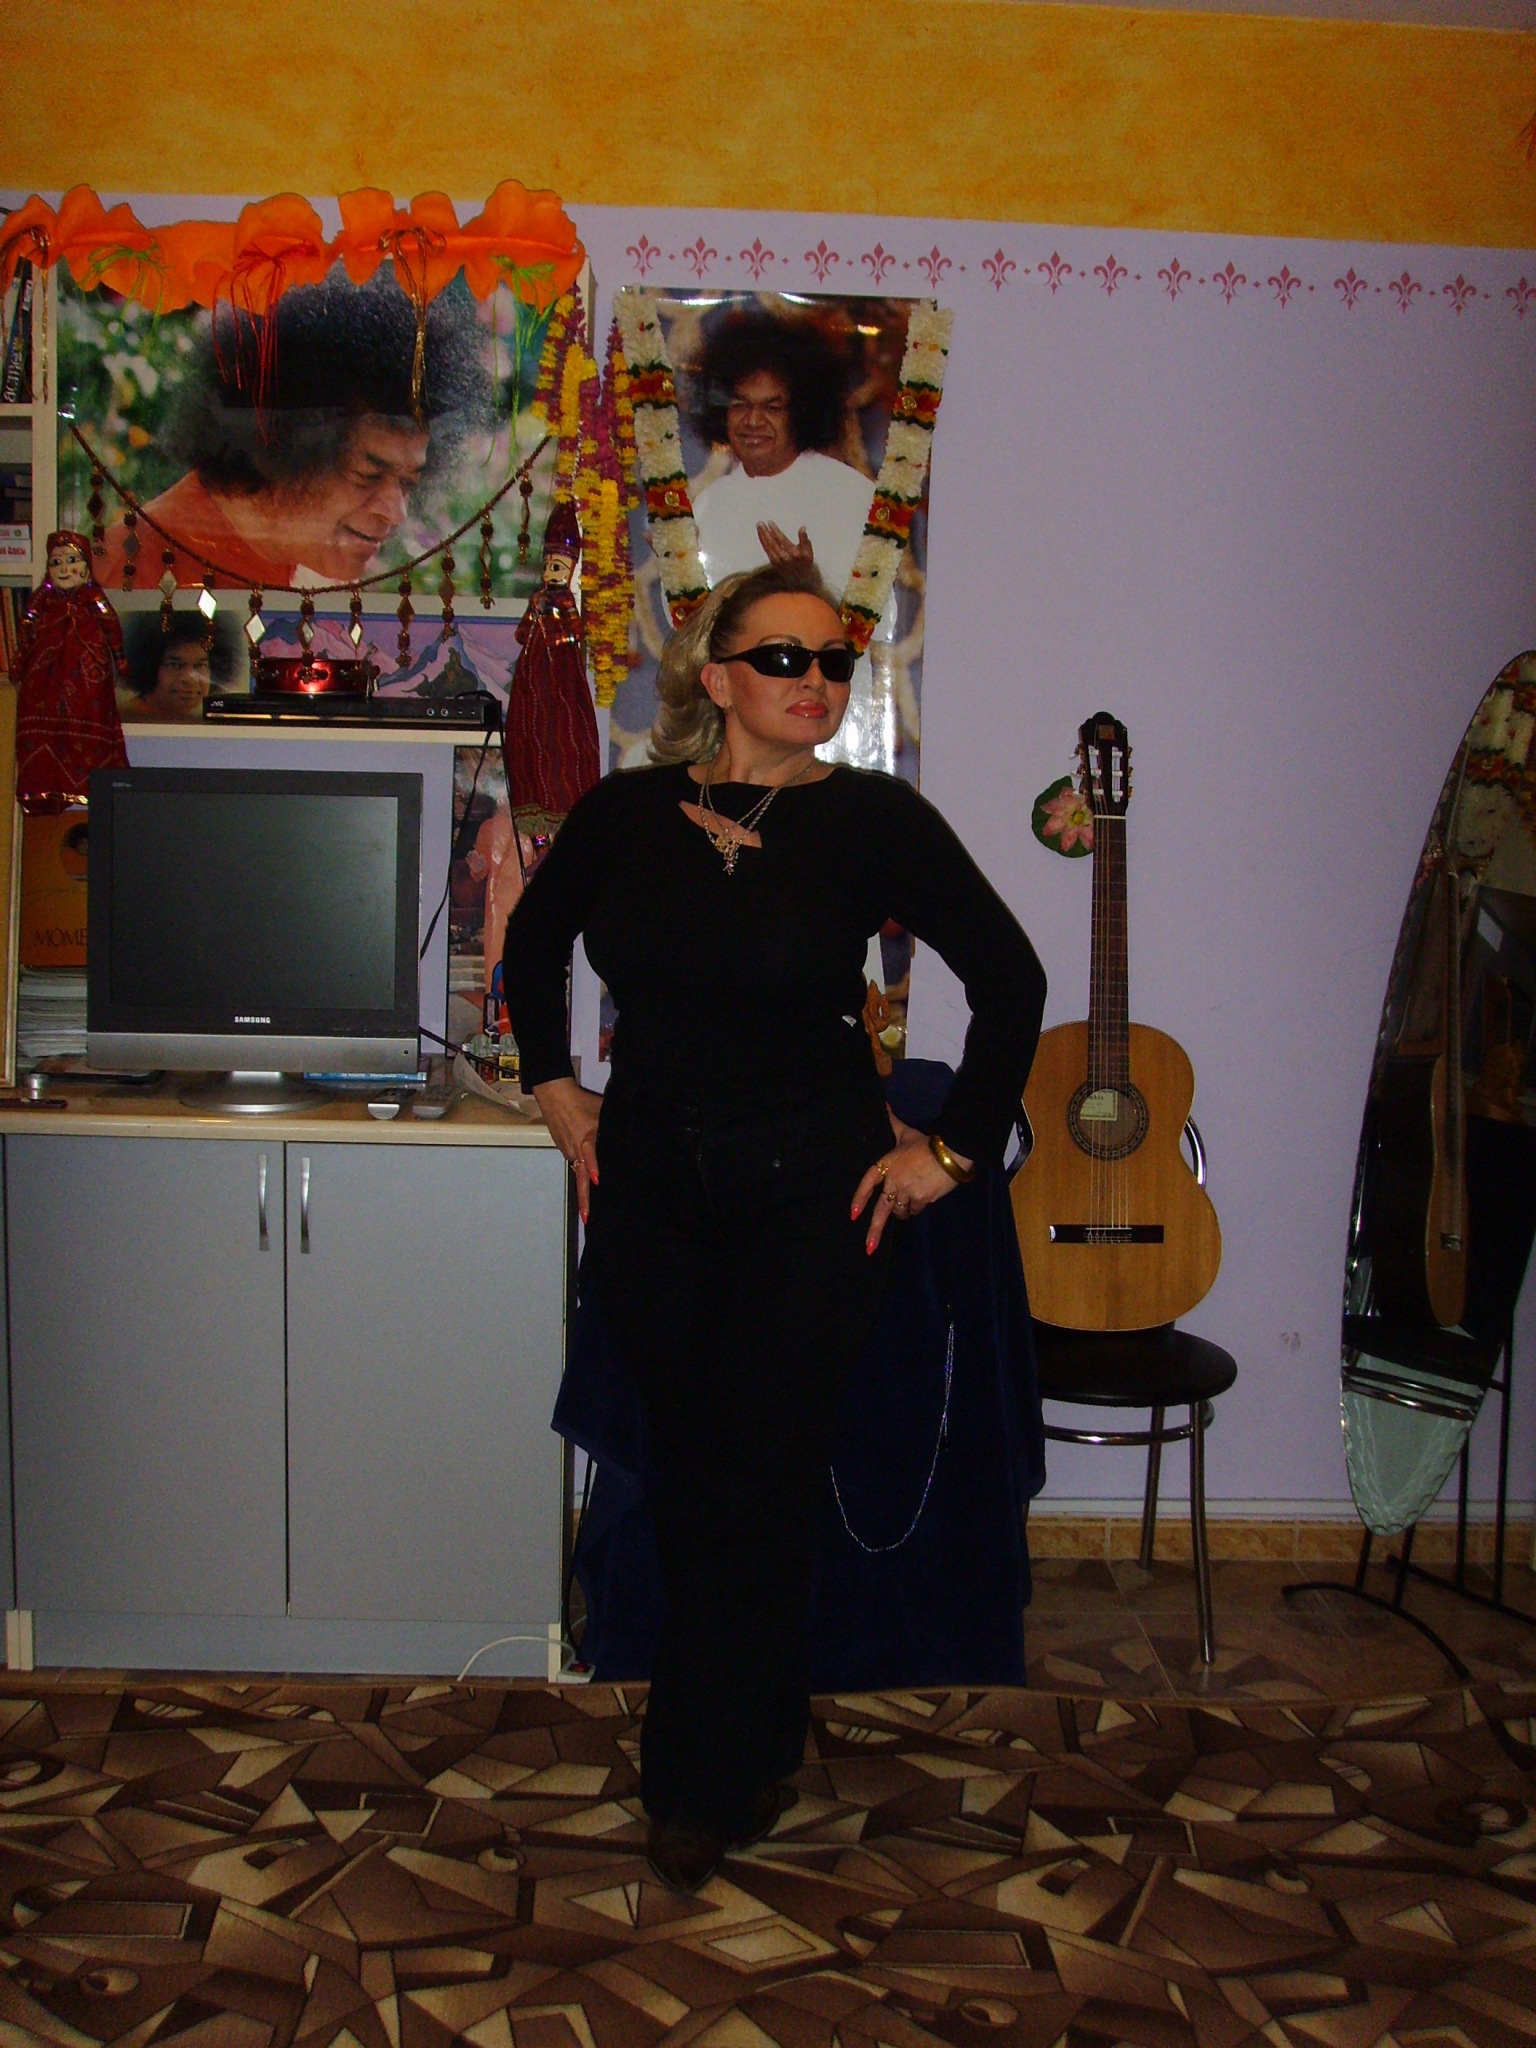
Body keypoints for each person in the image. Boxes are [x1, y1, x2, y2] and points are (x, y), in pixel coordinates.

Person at [502, 558, 1046, 1893]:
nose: (817, 682)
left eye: (834, 661)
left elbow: (1012, 975)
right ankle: (754, 1736)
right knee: (697, 1475)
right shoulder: (629, 813)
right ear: (716, 673)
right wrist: (556, 1087)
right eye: (785, 658)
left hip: (811, 1187)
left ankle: (692, 1781)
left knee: (757, 1472)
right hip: (649, 1187)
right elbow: (534, 942)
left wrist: (955, 1151)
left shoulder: (870, 818)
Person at [95, 267, 490, 592]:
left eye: (407, 483)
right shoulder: (130, 574)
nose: (396, 512)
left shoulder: (305, 568)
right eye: (368, 475)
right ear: (284, 449)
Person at [690, 311, 874, 594]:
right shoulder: (710, 504)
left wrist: (805, 581)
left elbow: (877, 610)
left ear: (801, 414)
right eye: (740, 405)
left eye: (772, 408)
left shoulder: (850, 494)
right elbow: (693, 615)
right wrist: (677, 570)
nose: (753, 421)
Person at [12, 530, 127, 814]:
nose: (64, 569)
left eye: (72, 560)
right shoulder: (42, 600)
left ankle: (87, 786)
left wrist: (119, 657)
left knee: (88, 720)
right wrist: (19, 662)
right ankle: (44, 788)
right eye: (56, 562)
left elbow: (110, 625)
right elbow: (26, 631)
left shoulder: (93, 598)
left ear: (86, 565)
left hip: (87, 676)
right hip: (44, 679)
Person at [119, 609, 241, 720]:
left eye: (200, 665)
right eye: (175, 665)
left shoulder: (198, 720)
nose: (190, 679)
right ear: (148, 668)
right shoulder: (128, 717)